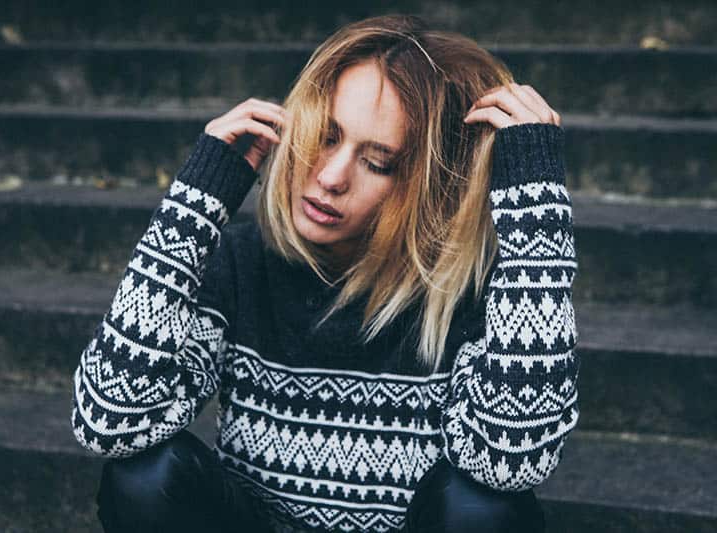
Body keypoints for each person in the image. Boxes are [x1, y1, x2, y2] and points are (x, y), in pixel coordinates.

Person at [70, 13, 578, 533]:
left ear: (432, 190)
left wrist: (536, 225)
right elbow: (110, 424)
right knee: (144, 477)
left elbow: (511, 462)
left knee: (483, 509)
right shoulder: (242, 263)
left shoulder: (476, 293)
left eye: (378, 163)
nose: (331, 177)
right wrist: (193, 206)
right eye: (326, 135)